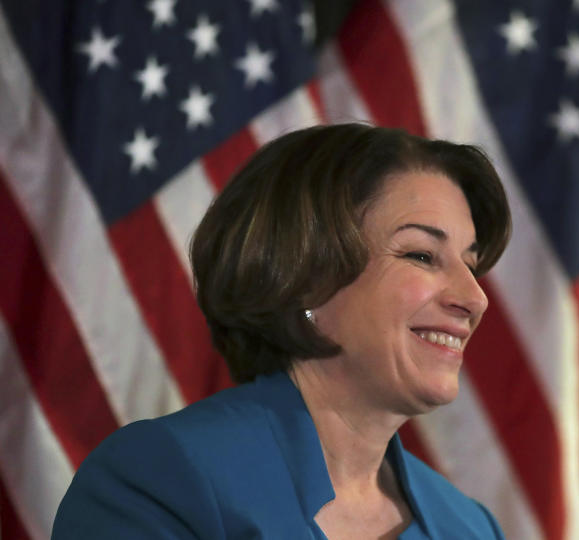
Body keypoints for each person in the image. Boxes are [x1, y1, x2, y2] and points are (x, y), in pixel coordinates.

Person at [52, 123, 512, 539]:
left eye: (471, 266)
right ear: (306, 276)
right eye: (422, 255)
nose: (475, 299)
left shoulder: (469, 527)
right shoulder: (161, 479)